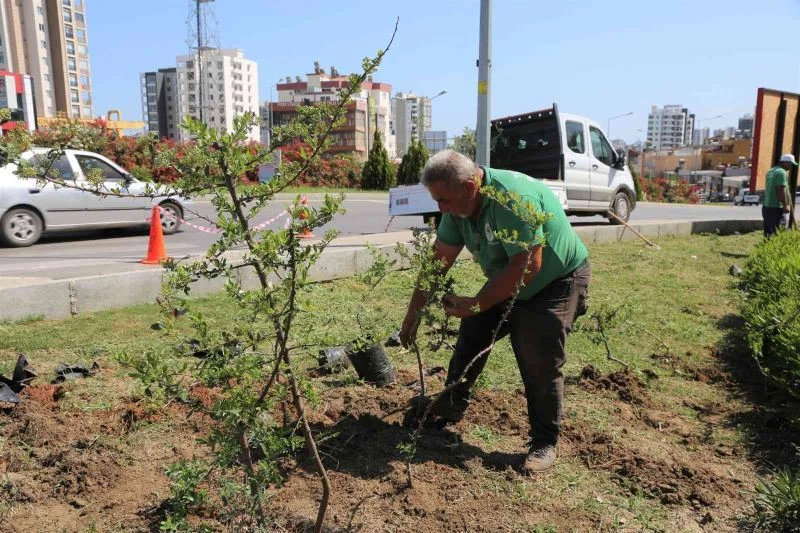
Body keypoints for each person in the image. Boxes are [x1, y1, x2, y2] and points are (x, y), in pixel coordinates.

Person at [399, 150, 590, 473]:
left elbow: (529, 265)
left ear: (471, 187)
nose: (440, 209)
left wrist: (476, 303)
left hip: (555, 281)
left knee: (537, 356)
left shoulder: (511, 200)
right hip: (509, 278)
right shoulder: (457, 211)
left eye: (444, 200)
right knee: (472, 334)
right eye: (437, 200)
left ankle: (545, 442)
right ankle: (449, 406)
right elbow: (438, 261)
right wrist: (412, 314)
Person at [763, 154, 796, 237]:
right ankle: (775, 249)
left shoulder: (771, 171)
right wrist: (785, 205)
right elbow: (780, 190)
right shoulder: (781, 172)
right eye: (790, 164)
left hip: (767, 207)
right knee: (779, 231)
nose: (791, 167)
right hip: (777, 208)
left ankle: (767, 248)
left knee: (769, 232)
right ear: (785, 162)